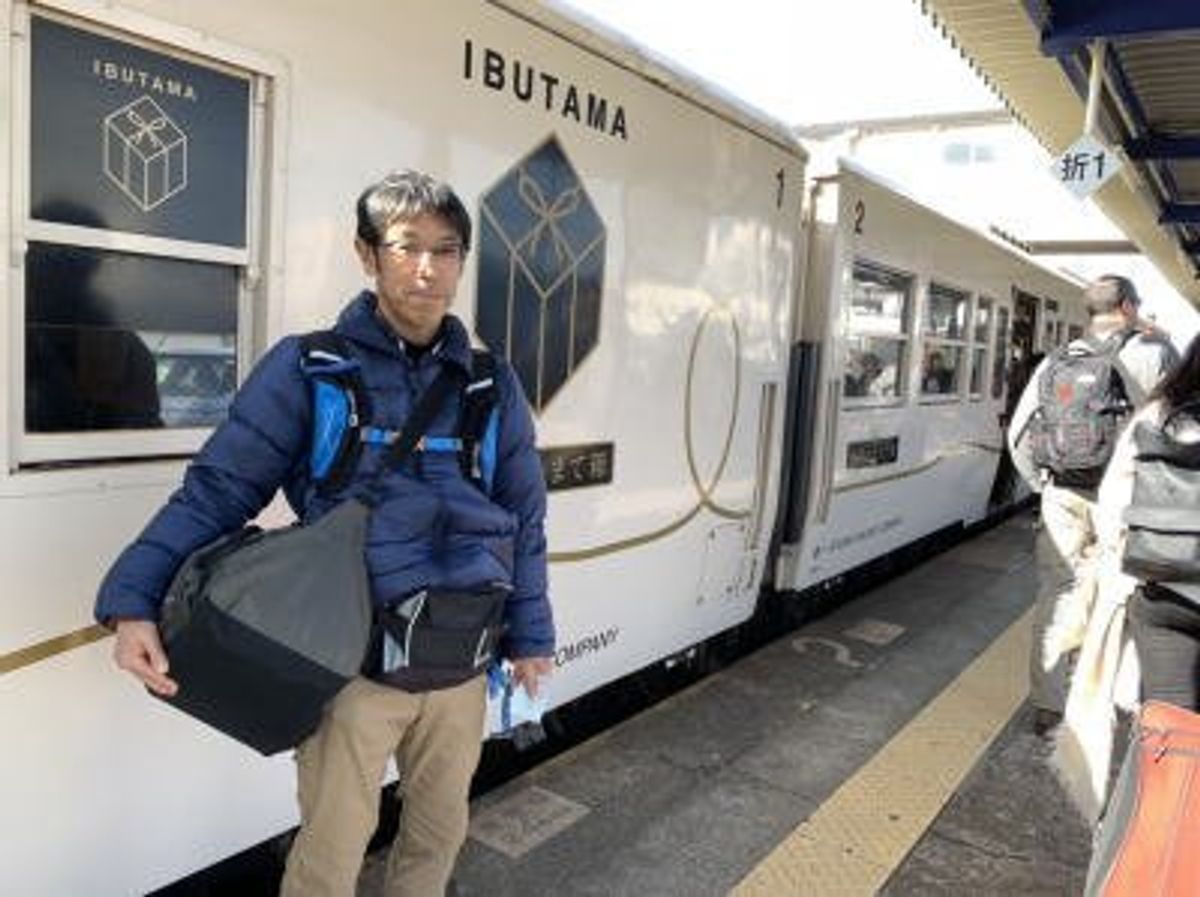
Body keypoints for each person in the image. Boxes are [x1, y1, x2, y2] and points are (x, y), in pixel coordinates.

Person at [94, 170, 555, 897]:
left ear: (464, 260)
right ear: (367, 254)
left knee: (438, 839)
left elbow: (526, 517)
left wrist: (530, 638)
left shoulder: (492, 385)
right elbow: (219, 486)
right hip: (349, 667)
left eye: (446, 249)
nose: (428, 268)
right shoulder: (312, 368)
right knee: (330, 856)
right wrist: (134, 599)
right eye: (406, 247)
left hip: (464, 664)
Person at [1007, 274, 1177, 736]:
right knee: (1119, 592)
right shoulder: (1155, 353)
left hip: (1061, 492)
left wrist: (1045, 484)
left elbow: (1017, 433)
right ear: (1126, 306)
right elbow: (1176, 426)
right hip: (1123, 498)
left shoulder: (1059, 359)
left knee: (1057, 591)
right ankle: (1101, 700)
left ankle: (1047, 704)